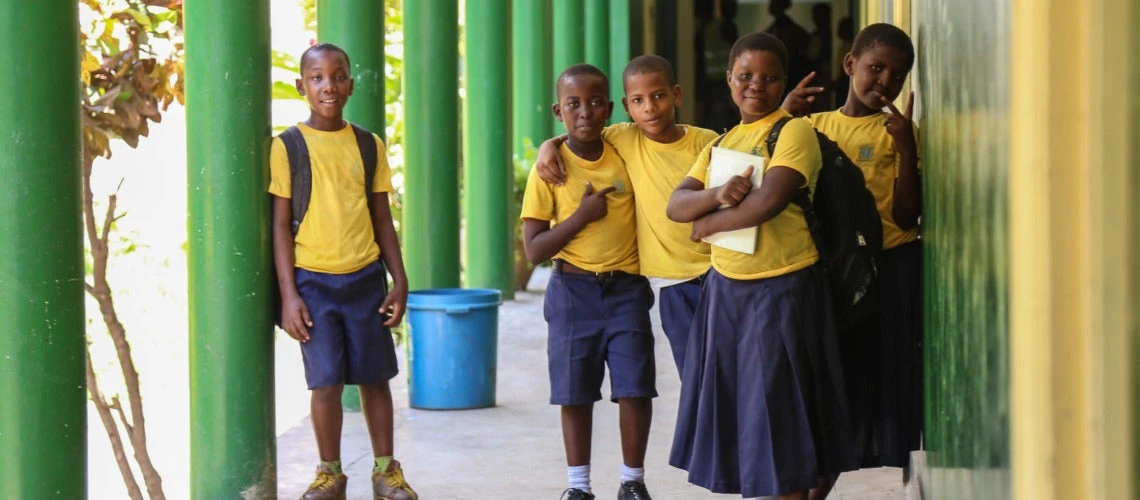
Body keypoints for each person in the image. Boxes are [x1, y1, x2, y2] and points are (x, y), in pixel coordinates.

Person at [665, 32, 855, 499]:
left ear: (782, 83)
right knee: (748, 423)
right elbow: (676, 204)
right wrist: (711, 202)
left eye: (769, 78)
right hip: (727, 294)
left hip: (783, 291)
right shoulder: (723, 142)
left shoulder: (793, 131)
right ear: (729, 79)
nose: (756, 85)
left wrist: (705, 222)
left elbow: (769, 201)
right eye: (745, 76)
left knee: (783, 421)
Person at [270, 43, 416, 500]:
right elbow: (278, 226)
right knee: (326, 381)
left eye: (337, 77)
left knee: (376, 379)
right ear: (302, 87)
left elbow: (381, 219)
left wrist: (400, 280)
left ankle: (385, 471)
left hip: (366, 280)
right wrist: (289, 295)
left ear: (351, 85)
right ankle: (330, 473)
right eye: (316, 78)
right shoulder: (287, 146)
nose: (328, 86)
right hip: (314, 283)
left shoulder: (368, 145)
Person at [784, 22, 923, 489]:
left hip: (890, 269)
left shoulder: (899, 132)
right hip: (831, 275)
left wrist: (905, 148)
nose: (884, 81)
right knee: (825, 388)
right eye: (875, 68)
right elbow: (771, 173)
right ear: (850, 65)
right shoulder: (812, 127)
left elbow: (906, 218)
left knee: (858, 394)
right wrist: (783, 113)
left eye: (897, 76)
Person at [533, 54, 719, 377]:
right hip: (672, 282)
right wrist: (549, 145)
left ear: (676, 95)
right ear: (626, 106)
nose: (649, 107)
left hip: (719, 273)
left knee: (730, 369)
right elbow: (580, 129)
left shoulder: (707, 142)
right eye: (638, 100)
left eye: (658, 96)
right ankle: (701, 430)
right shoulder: (625, 137)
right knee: (695, 377)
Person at [520, 64, 658, 500]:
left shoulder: (624, 151)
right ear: (558, 110)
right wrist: (581, 216)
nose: (585, 112)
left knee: (635, 387)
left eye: (596, 102)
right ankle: (578, 487)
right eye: (574, 104)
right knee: (574, 392)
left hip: (626, 289)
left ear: (611, 108)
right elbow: (535, 249)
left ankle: (632, 481)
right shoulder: (549, 169)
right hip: (572, 291)